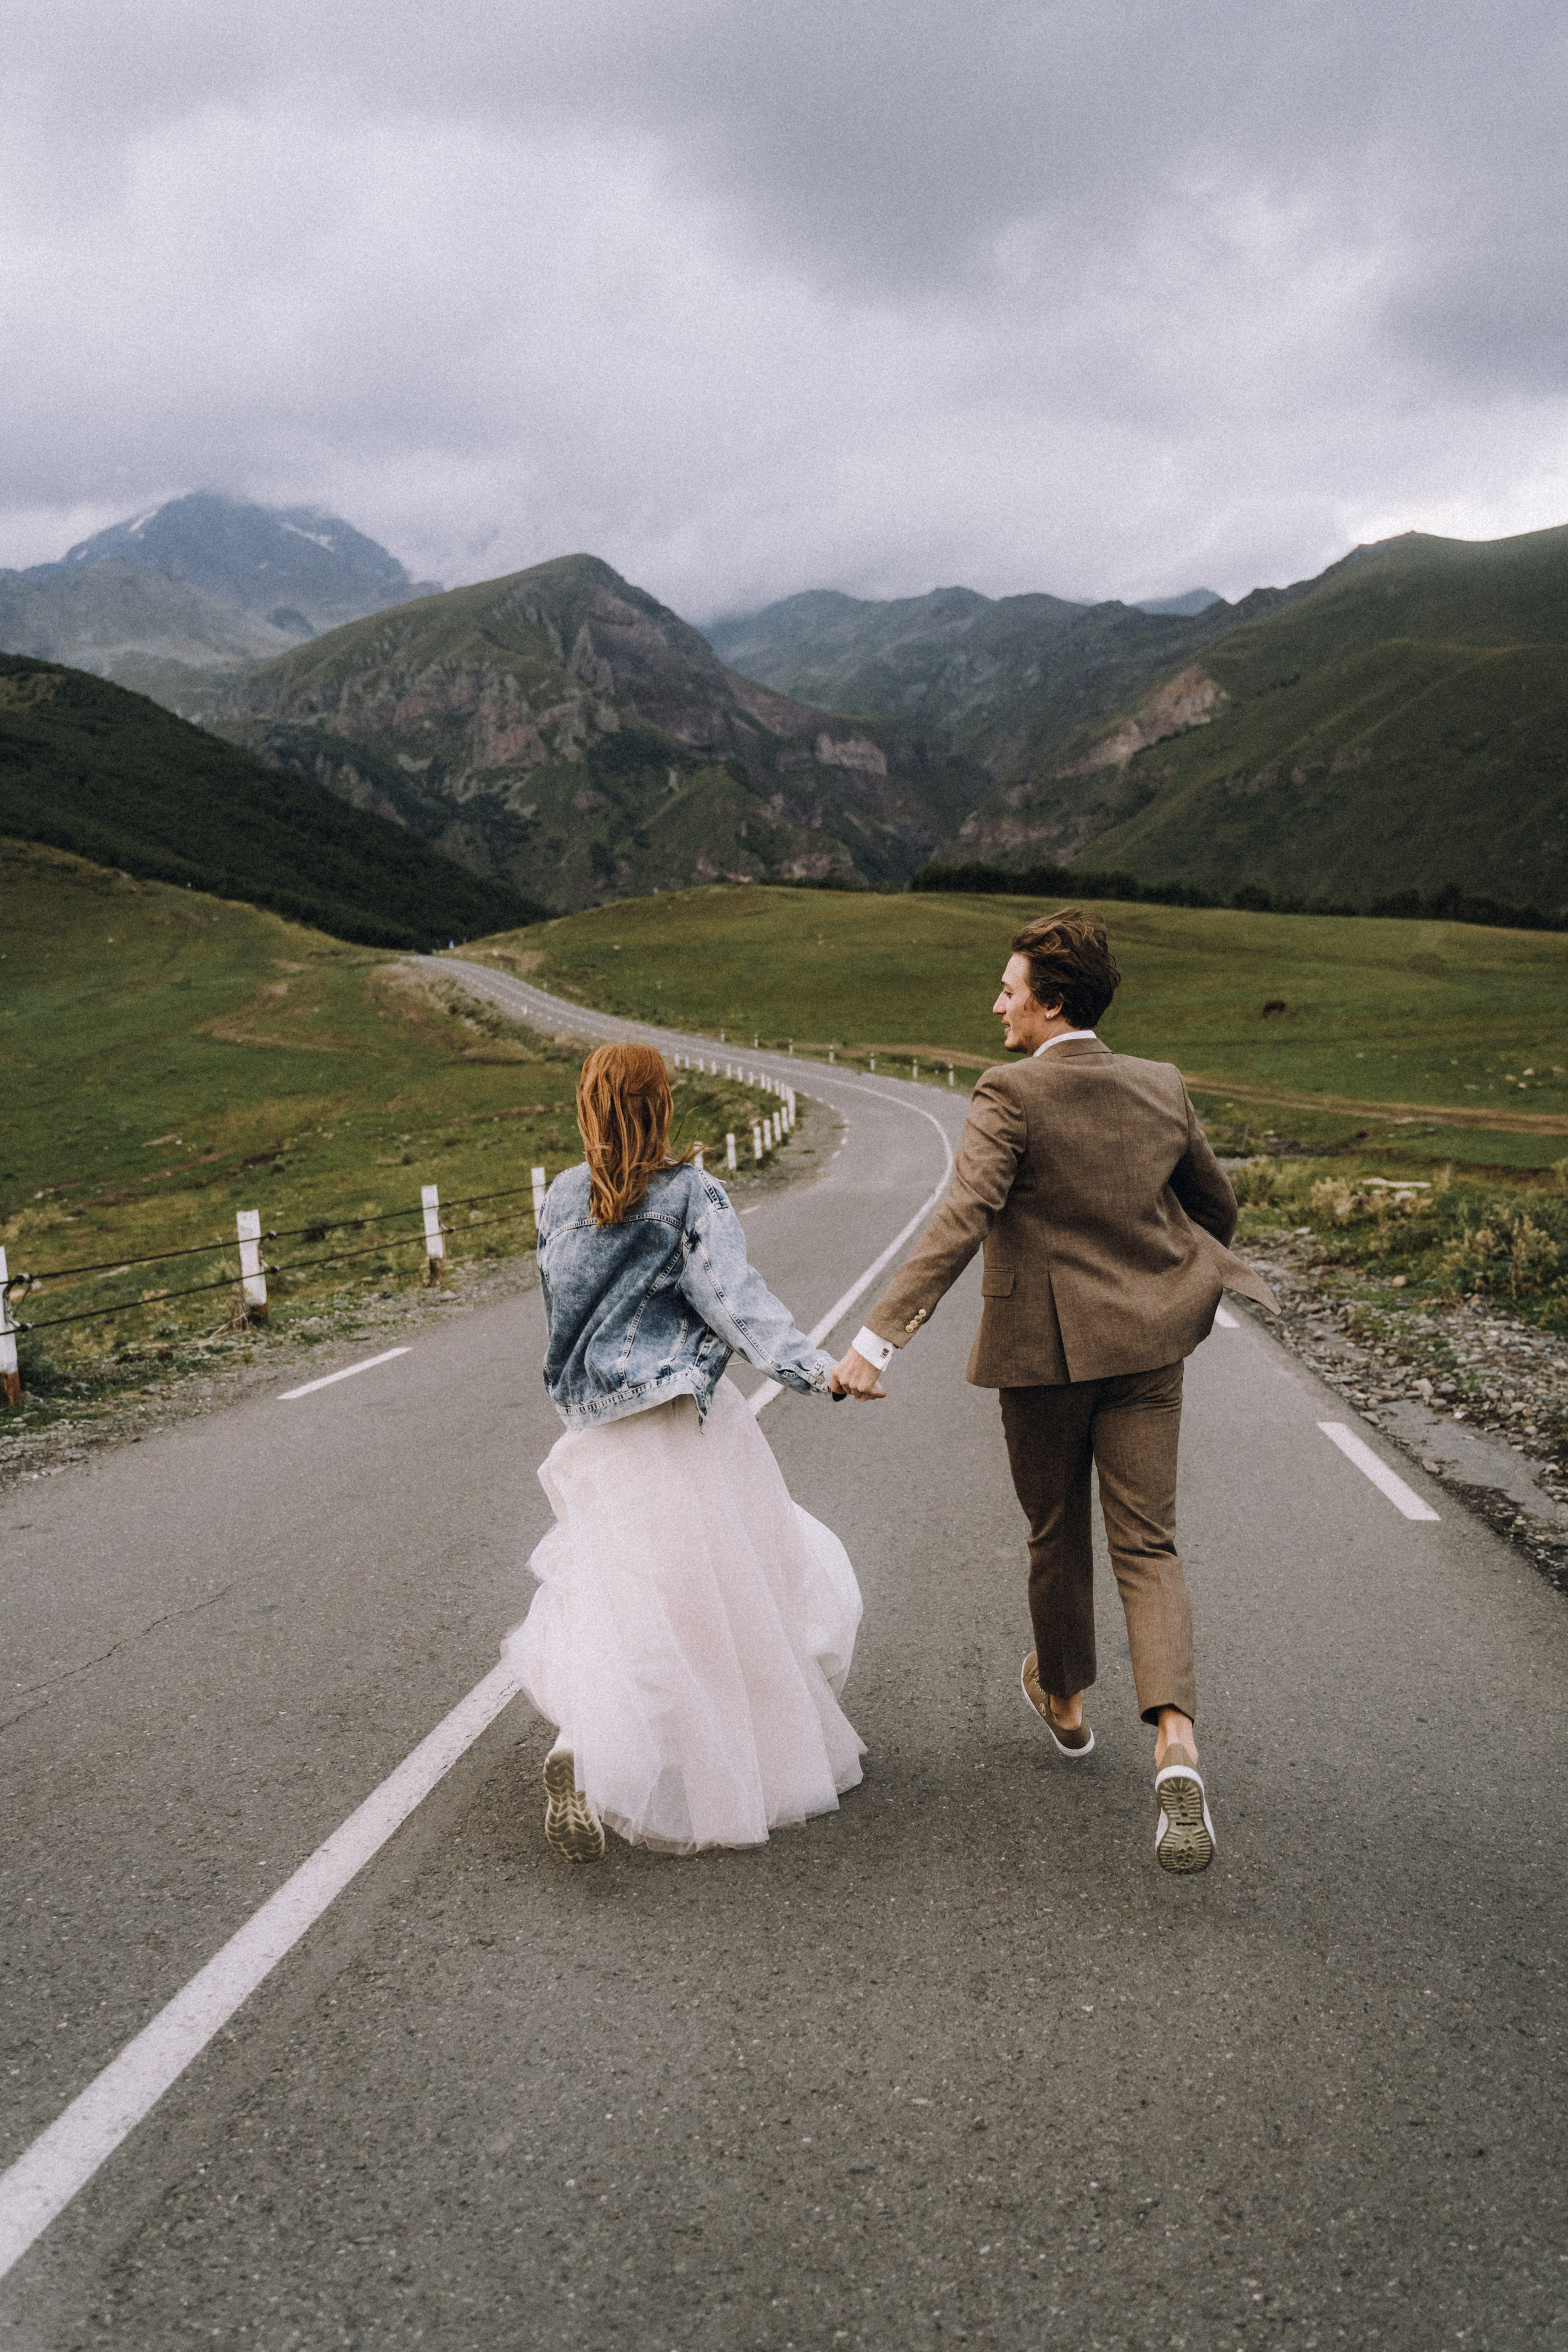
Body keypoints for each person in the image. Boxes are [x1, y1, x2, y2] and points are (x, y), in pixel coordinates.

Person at [832, 908, 1275, 1873]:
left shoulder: (1011, 1092)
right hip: (1150, 1350)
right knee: (1148, 1545)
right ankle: (1176, 1745)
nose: (996, 1001)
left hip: (1042, 1359)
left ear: (1052, 1001)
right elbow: (1217, 1208)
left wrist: (875, 1343)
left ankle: (1067, 1701)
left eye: (1009, 987)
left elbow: (962, 1216)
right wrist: (1173, 1276)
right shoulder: (1160, 1085)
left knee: (1054, 1532)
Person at [504, 1042, 865, 1863]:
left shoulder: (562, 1198)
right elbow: (737, 1303)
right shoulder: (690, 1193)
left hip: (597, 1429)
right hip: (680, 1421)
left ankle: (580, 1746)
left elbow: (561, 1315)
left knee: (610, 1594)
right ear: (662, 1106)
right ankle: (716, 1751)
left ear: (586, 1106)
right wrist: (819, 1371)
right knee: (732, 1591)